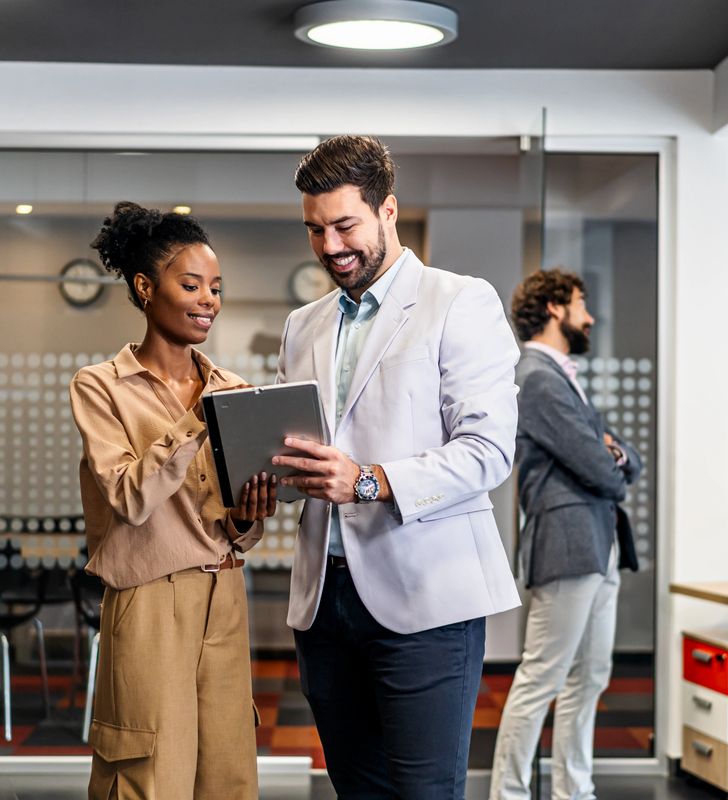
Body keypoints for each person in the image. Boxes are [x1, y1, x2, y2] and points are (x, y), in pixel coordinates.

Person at [271, 134, 522, 799]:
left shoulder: (459, 301)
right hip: (324, 604)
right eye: (314, 230)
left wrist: (368, 480)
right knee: (359, 791)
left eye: (344, 224)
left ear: (388, 210)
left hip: (427, 599)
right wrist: (266, 475)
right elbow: (306, 456)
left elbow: (489, 450)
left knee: (425, 793)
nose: (329, 246)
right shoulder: (303, 325)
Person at [69, 202, 276, 800]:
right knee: (150, 773)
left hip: (226, 593)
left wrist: (247, 516)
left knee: (228, 773)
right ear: (144, 287)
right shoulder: (100, 387)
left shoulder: (234, 390)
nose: (208, 299)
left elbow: (231, 523)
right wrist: (198, 419)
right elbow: (130, 498)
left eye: (215, 287)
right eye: (191, 285)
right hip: (149, 601)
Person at [489, 268, 642, 800]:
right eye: (581, 304)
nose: (590, 316)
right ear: (554, 308)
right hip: (567, 543)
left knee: (590, 677)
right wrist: (610, 457)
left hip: (598, 544)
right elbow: (601, 471)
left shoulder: (562, 374)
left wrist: (613, 452)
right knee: (542, 680)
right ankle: (507, 794)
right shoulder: (534, 375)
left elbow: (623, 458)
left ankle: (573, 790)